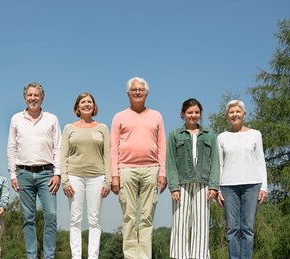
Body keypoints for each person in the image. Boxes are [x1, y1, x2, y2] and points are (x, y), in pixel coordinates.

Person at [110, 76, 167, 259]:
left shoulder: (156, 116)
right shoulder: (119, 117)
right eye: (134, 90)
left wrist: (162, 172)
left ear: (146, 93)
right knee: (129, 218)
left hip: (151, 169)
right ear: (128, 94)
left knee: (146, 217)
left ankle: (144, 256)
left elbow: (162, 145)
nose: (137, 92)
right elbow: (113, 148)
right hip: (126, 170)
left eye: (141, 90)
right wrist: (114, 175)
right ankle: (130, 256)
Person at [7, 82, 61, 259]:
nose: (33, 98)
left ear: (42, 97)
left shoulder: (52, 119)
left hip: (47, 173)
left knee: (51, 215)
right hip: (23, 173)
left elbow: (58, 148)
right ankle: (32, 255)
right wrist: (13, 174)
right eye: (30, 95)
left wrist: (58, 173)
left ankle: (49, 256)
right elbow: (12, 147)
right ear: (25, 98)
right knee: (28, 218)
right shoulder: (16, 119)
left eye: (36, 95)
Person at [166, 98, 220, 259]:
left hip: (204, 184)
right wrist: (174, 186)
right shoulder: (175, 135)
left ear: (200, 114)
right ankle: (180, 256)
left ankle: (200, 256)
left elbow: (216, 161)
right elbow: (170, 162)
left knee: (202, 224)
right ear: (183, 114)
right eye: (190, 112)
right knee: (180, 223)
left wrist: (213, 186)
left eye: (197, 112)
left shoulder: (210, 134)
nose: (193, 115)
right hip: (182, 183)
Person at [61, 92, 111, 259]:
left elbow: (107, 156)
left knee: (94, 220)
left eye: (90, 101)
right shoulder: (69, 128)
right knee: (75, 219)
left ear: (94, 106)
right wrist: (65, 180)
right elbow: (63, 155)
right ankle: (76, 256)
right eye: (83, 102)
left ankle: (93, 256)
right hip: (74, 176)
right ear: (77, 107)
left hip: (97, 177)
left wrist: (108, 181)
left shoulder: (103, 128)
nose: (86, 104)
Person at [216, 100, 267, 259]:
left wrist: (264, 187)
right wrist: (218, 189)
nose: (234, 114)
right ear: (227, 116)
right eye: (231, 112)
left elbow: (260, 161)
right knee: (232, 229)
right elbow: (219, 164)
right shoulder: (222, 137)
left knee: (247, 228)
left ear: (244, 114)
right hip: (228, 186)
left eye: (238, 111)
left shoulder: (255, 134)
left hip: (252, 186)